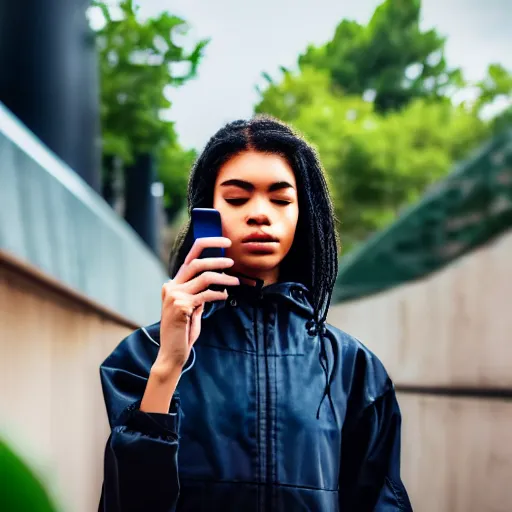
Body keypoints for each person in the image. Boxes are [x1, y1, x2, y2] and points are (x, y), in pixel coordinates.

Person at [98, 116, 413, 511]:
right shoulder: (142, 356)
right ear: (205, 213)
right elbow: (127, 503)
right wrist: (168, 368)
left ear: (304, 214)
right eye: (236, 198)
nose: (260, 214)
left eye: (280, 199)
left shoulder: (353, 368)